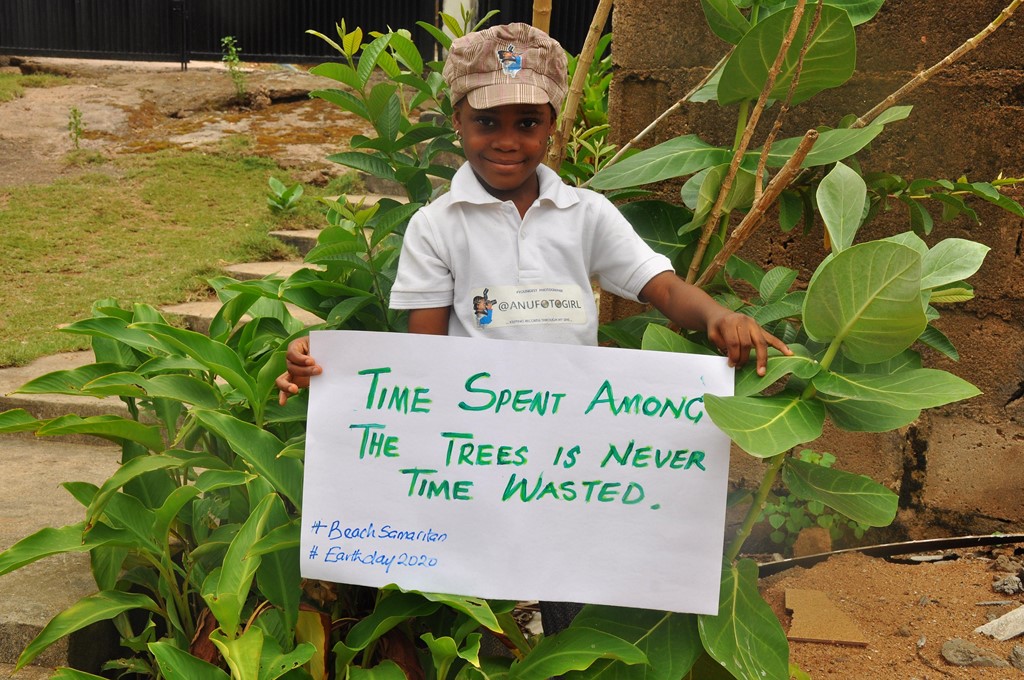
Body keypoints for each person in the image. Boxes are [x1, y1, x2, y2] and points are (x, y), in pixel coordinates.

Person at [276, 22, 791, 632]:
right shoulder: (437, 226)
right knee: (468, 607)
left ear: (552, 127)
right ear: (458, 123)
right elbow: (423, 360)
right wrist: (333, 373)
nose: (506, 141)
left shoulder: (586, 215)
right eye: (486, 122)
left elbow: (665, 289)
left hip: (570, 459)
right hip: (473, 454)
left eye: (528, 123)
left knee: (572, 601)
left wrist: (717, 317)